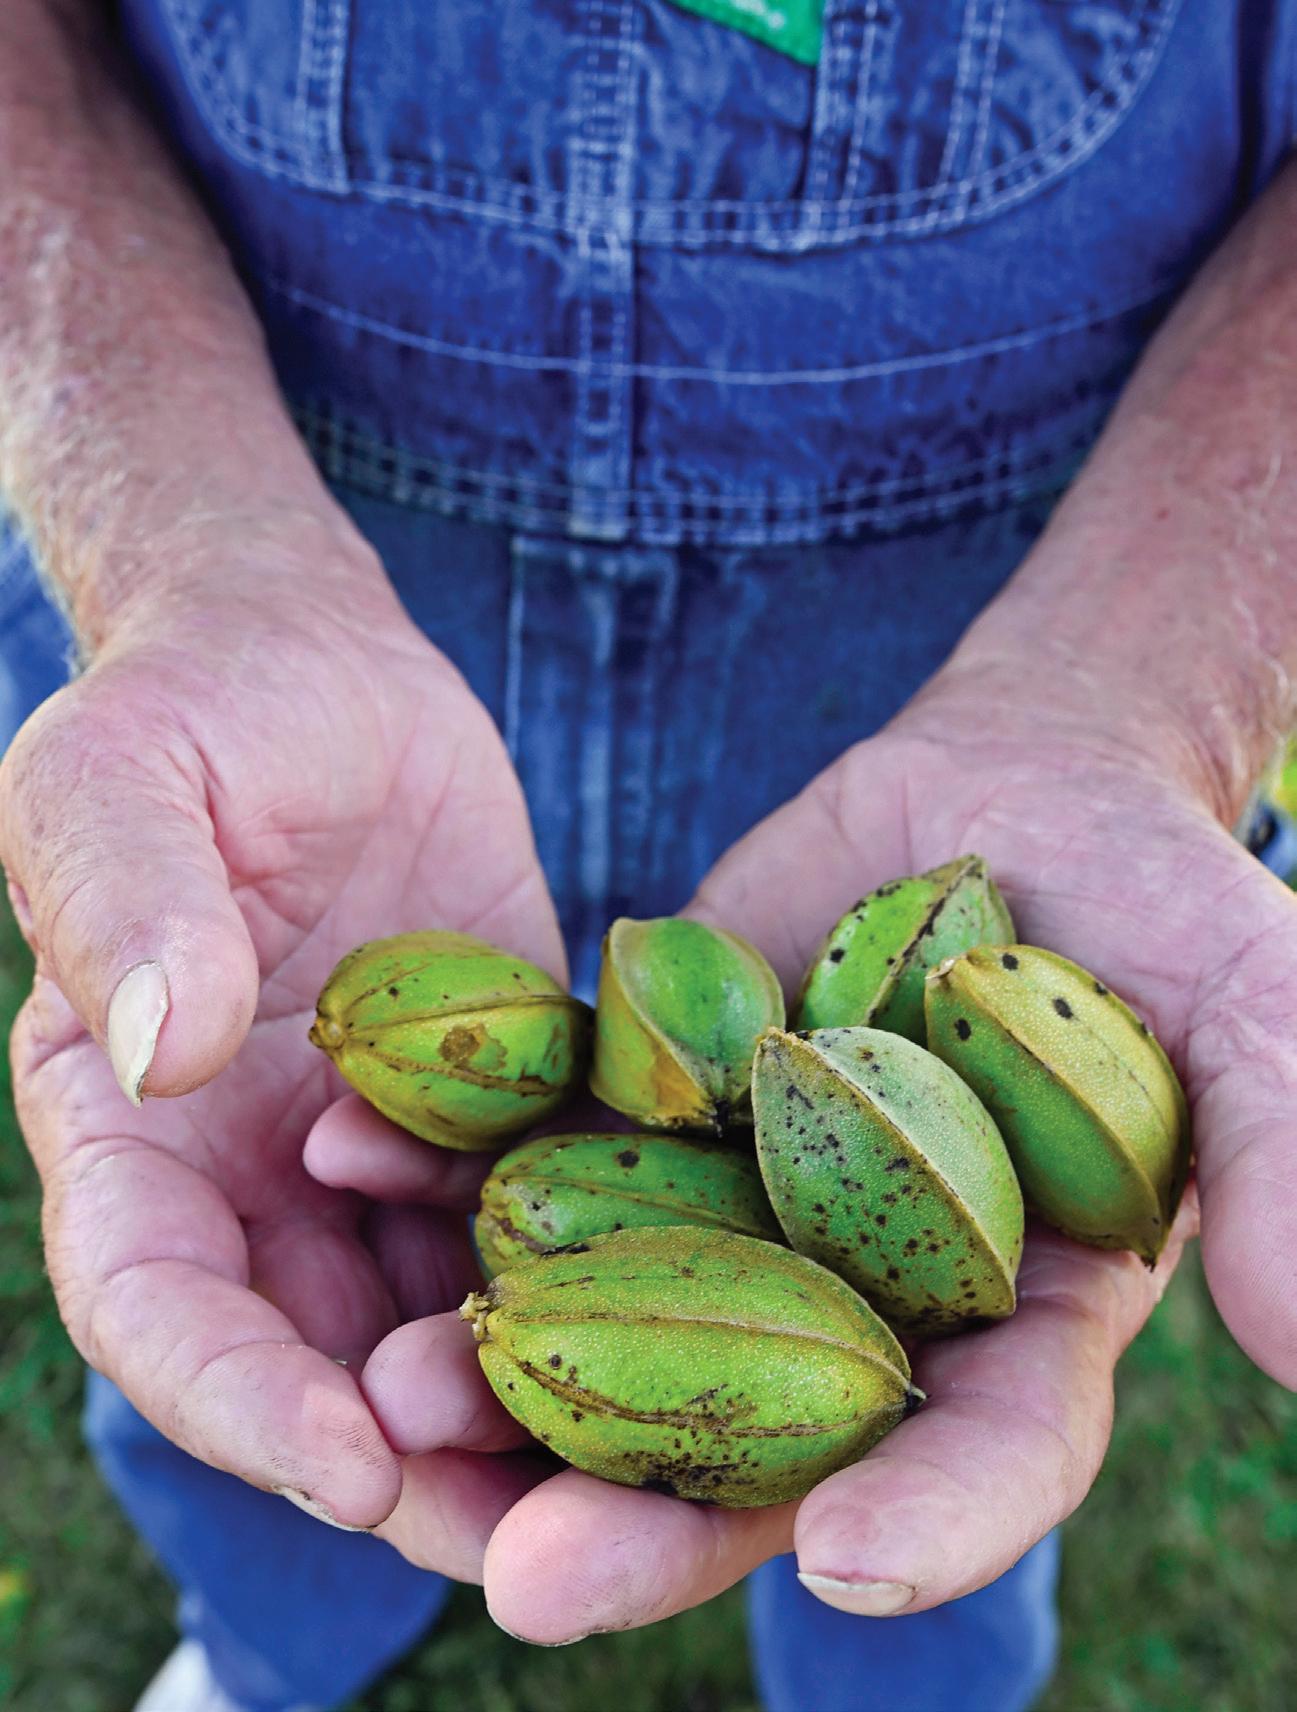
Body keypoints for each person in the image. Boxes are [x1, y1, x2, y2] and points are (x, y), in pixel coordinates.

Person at [1, 3, 1296, 1709]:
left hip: (1028, 580)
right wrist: (182, 551)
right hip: (287, 533)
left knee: (933, 1458)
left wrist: (1145, 689)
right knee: (294, 1286)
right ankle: (267, 1647)